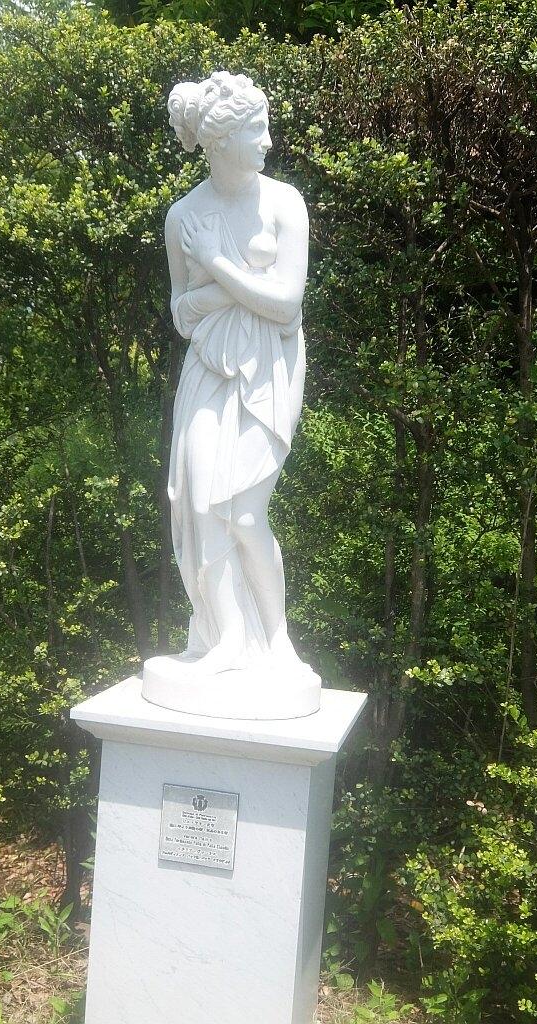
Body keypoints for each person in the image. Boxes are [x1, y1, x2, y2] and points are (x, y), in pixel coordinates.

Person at [143, 71, 319, 716]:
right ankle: (226, 639)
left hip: (269, 369)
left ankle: (278, 641)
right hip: (208, 371)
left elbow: (287, 304)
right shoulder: (183, 216)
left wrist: (218, 267)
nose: (268, 141)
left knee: (245, 512)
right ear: (220, 141)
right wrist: (243, 285)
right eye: (257, 131)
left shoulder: (285, 203)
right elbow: (181, 315)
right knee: (197, 504)